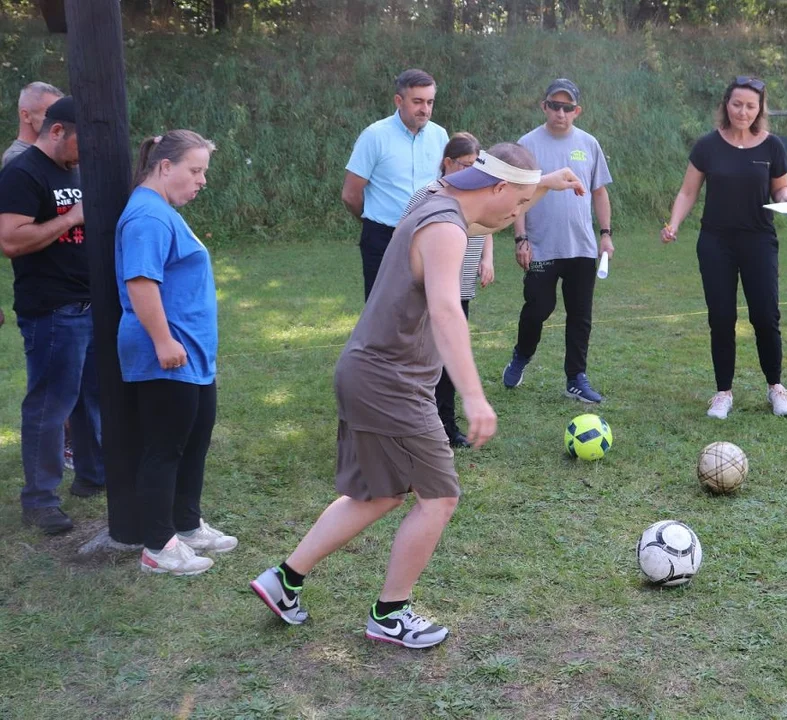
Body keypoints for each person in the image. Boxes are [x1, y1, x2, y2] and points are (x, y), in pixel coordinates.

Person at [251, 144, 585, 649]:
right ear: (494, 188)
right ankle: (389, 615)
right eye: (516, 203)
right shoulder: (447, 230)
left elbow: (491, 217)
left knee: (379, 493)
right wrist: (473, 396)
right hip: (392, 382)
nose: (516, 216)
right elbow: (448, 311)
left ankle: (285, 579)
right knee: (439, 497)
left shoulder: (435, 195)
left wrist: (541, 185)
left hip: (366, 371)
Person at [116, 130, 237, 576]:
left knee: (195, 438)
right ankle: (158, 547)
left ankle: (186, 526)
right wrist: (164, 341)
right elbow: (141, 283)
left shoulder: (160, 211)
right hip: (164, 352)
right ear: (165, 167)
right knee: (165, 448)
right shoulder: (146, 217)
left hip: (191, 353)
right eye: (196, 170)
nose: (202, 180)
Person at [660, 76, 787, 419]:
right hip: (715, 242)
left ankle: (775, 388)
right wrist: (674, 224)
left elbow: (781, 189)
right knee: (721, 318)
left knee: (765, 315)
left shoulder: (772, 147)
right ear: (726, 105)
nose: (743, 111)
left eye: (751, 106)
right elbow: (688, 192)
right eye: (737, 104)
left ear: (759, 109)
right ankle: (723, 393)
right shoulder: (708, 145)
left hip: (759, 240)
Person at [0, 96, 105, 534]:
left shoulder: (75, 168)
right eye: (83, 141)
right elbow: (11, 240)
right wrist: (72, 218)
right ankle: (40, 501)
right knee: (49, 404)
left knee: (92, 398)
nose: (87, 152)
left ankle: (93, 476)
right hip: (52, 309)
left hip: (91, 302)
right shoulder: (22, 173)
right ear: (57, 130)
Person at [501, 79, 614, 404]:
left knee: (581, 314)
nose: (560, 113)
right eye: (554, 105)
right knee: (539, 307)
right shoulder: (527, 144)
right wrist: (520, 238)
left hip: (581, 247)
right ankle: (521, 356)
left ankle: (575, 378)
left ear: (576, 111)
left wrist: (605, 235)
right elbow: (517, 196)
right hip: (541, 246)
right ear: (544, 107)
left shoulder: (589, 144)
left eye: (567, 107)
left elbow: (599, 192)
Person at [400, 132, 493, 448]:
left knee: (452, 355)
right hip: (429, 292)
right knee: (426, 360)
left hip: (461, 286)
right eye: (466, 165)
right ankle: (417, 427)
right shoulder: (428, 195)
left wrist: (487, 258)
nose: (471, 172)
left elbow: (489, 222)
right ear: (447, 163)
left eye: (476, 166)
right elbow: (404, 238)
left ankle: (447, 427)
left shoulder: (474, 194)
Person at [2, 81, 75, 471]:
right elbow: (10, 237)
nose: (54, 121)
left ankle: (77, 448)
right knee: (51, 391)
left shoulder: (66, 162)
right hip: (45, 296)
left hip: (75, 295)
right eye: (48, 114)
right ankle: (57, 455)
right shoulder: (18, 164)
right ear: (26, 115)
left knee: (74, 382)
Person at [341, 68, 450, 299]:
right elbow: (350, 195)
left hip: (426, 234)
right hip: (382, 237)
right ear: (399, 100)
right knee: (381, 309)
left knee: (424, 307)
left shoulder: (440, 135)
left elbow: (445, 184)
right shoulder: (375, 136)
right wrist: (372, 218)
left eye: (430, 102)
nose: (425, 109)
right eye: (418, 101)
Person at [2, 82, 63, 169]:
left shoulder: (58, 152)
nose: (58, 122)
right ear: (26, 116)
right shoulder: (16, 157)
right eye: (50, 114)